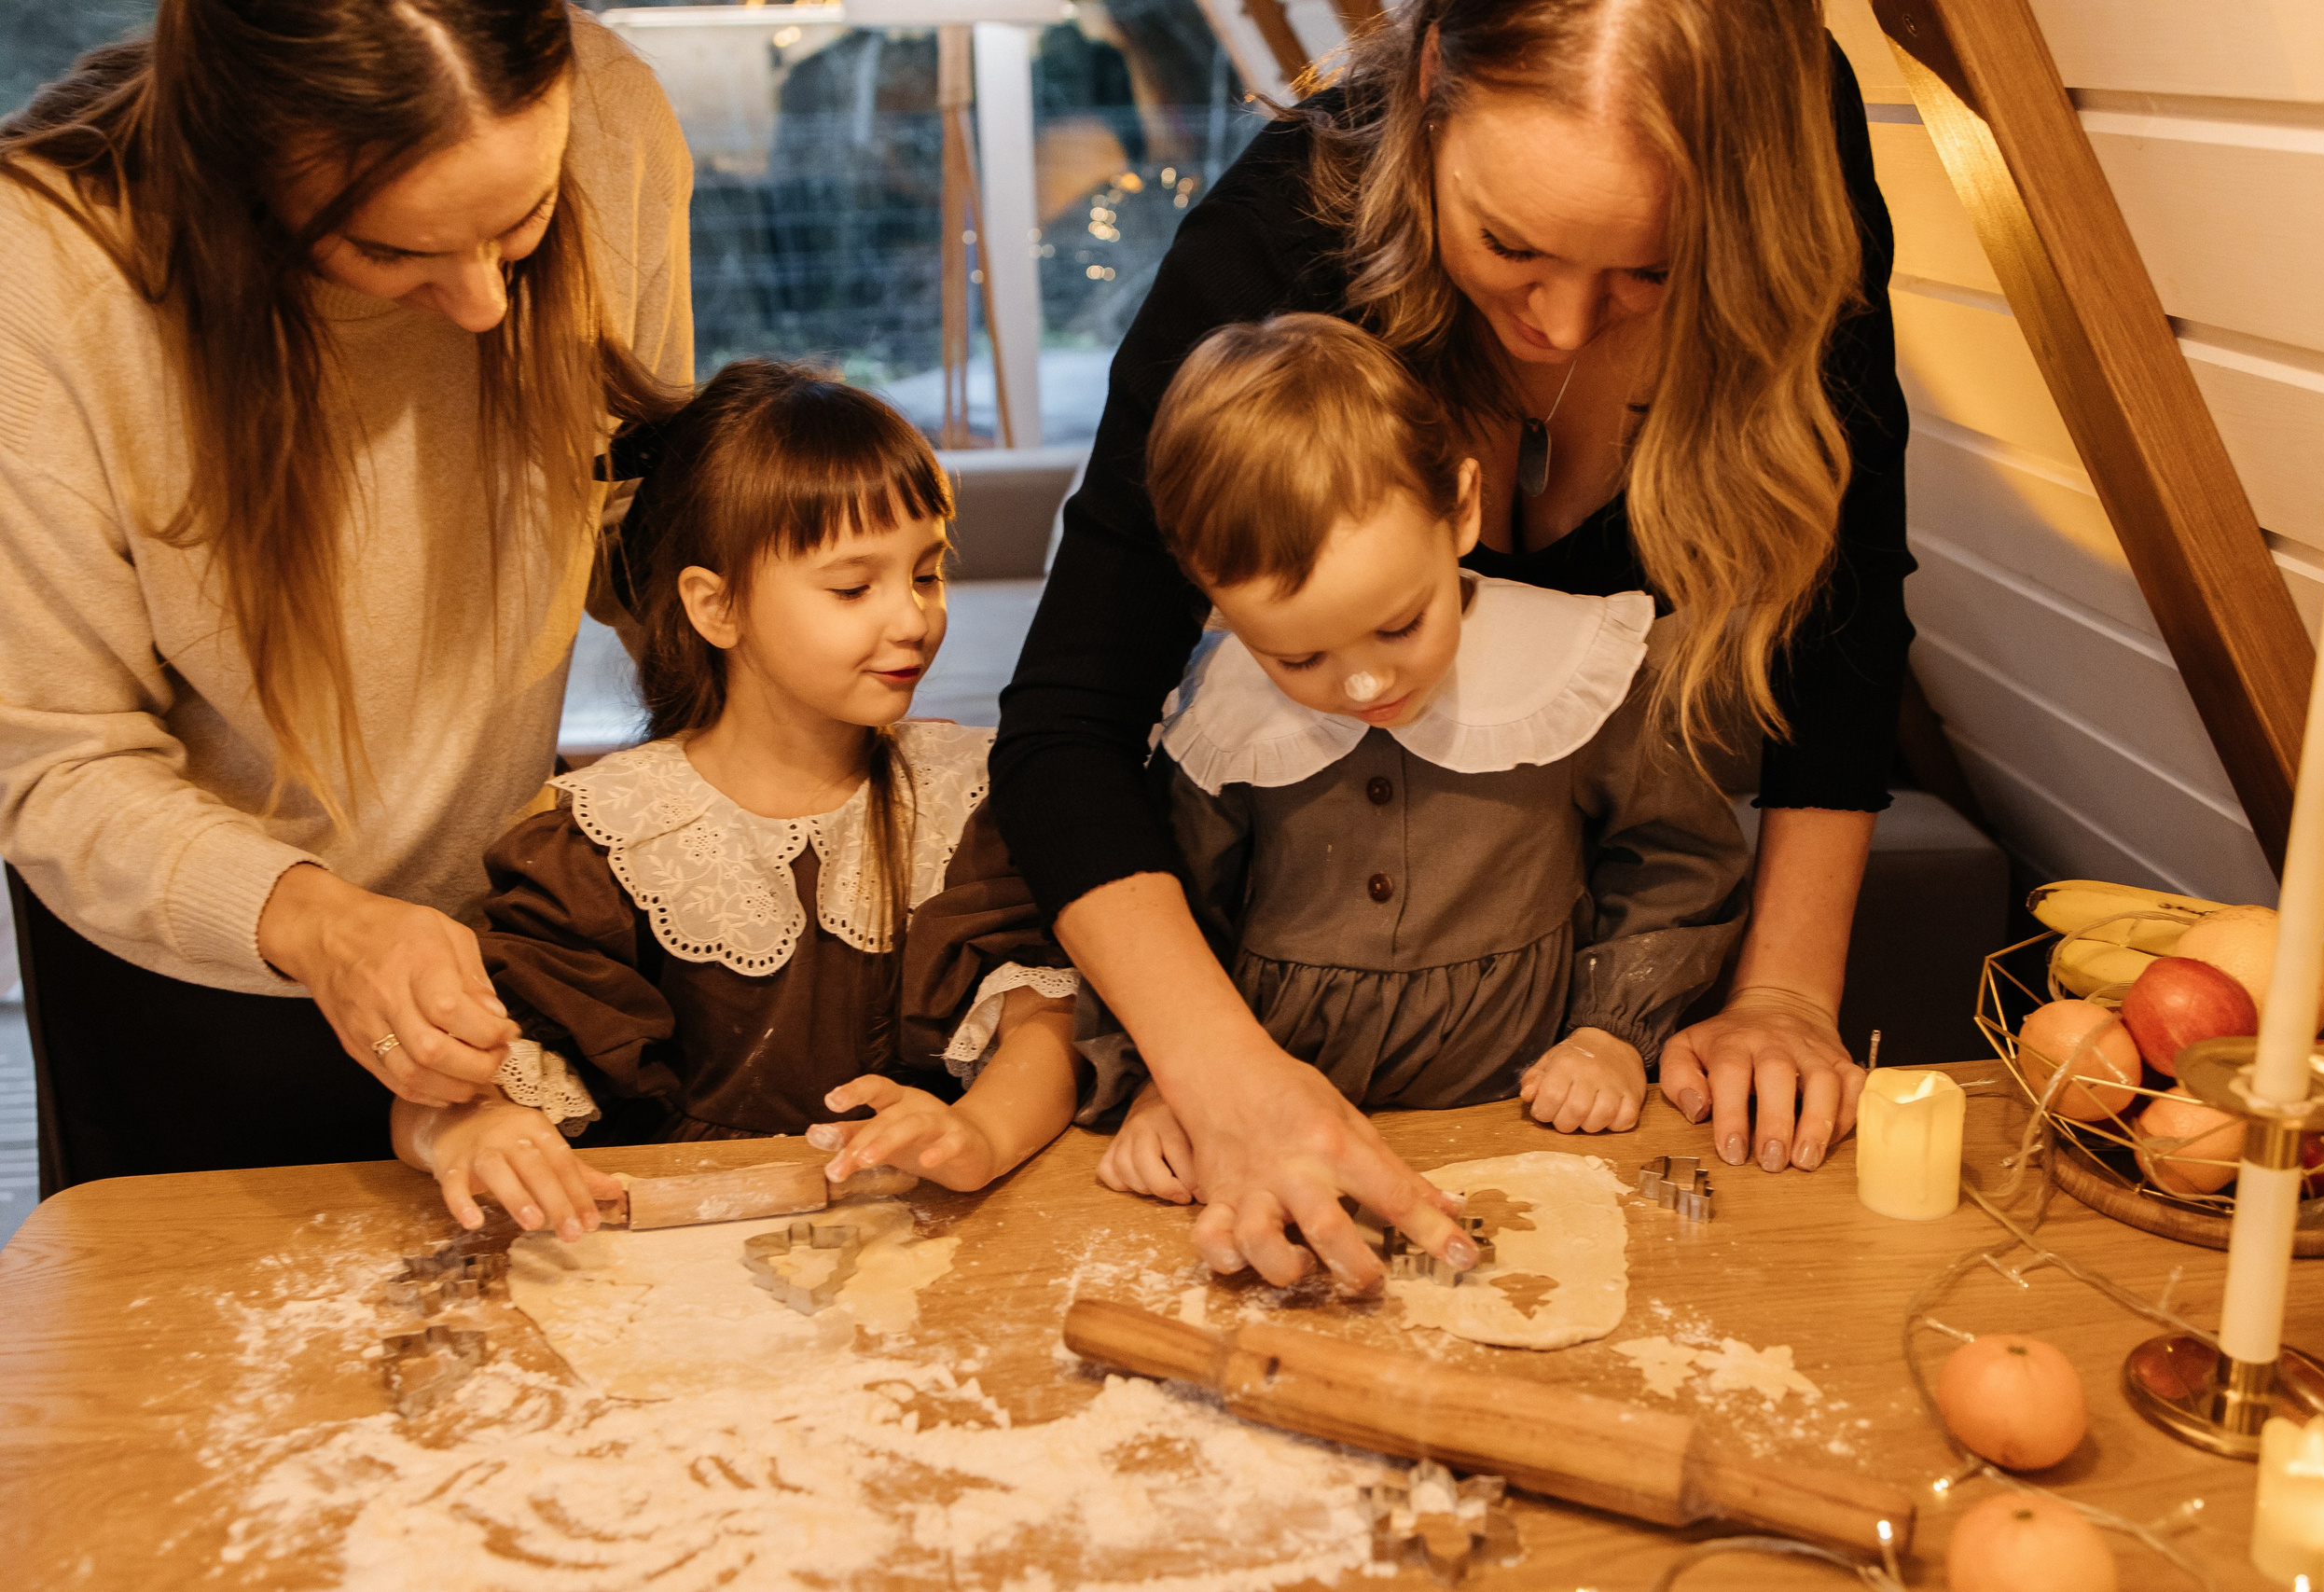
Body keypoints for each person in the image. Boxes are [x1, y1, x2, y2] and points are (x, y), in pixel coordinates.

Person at [991, 0, 1908, 1286]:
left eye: (1653, 268)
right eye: (1511, 245)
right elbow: (1065, 727)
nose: (1568, 325)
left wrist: (1786, 997)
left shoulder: (1798, 183)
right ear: (1430, 88)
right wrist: (1223, 1074)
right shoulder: (1271, 247)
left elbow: (1845, 614)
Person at [0, 1, 692, 1191]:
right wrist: (320, 924)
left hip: (513, 924)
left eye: (520, 224)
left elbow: (624, 506)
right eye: (391, 253)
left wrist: (780, 578)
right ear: (239, 175)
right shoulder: (47, 278)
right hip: (194, 965)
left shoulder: (612, 113)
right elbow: (58, 761)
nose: (483, 305)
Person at [393, 363, 1080, 1241]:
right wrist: (469, 1125)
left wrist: (979, 1130)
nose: (912, 619)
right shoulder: (606, 839)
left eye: (927, 573)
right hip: (675, 1258)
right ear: (715, 606)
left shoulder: (963, 797)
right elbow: (441, 1087)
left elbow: (1044, 1025)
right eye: (852, 586)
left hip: (913, 1239)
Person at [1088, 316, 1746, 1212]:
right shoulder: (1219, 720)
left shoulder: (1579, 671)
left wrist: (1612, 1033)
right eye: (1298, 659)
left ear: (1462, 509)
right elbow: (1178, 918)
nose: (1363, 680)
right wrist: (1171, 1083)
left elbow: (1675, 862)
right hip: (1271, 1141)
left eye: (1400, 625)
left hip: (1525, 1128)